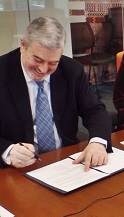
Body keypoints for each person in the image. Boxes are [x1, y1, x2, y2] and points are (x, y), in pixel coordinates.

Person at [0, 17, 112, 171]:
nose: (43, 70)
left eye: (53, 63)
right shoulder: (2, 72)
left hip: (67, 161)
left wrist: (98, 142)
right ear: (22, 45)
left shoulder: (71, 70)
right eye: (37, 59)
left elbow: (94, 110)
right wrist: (7, 151)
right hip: (19, 168)